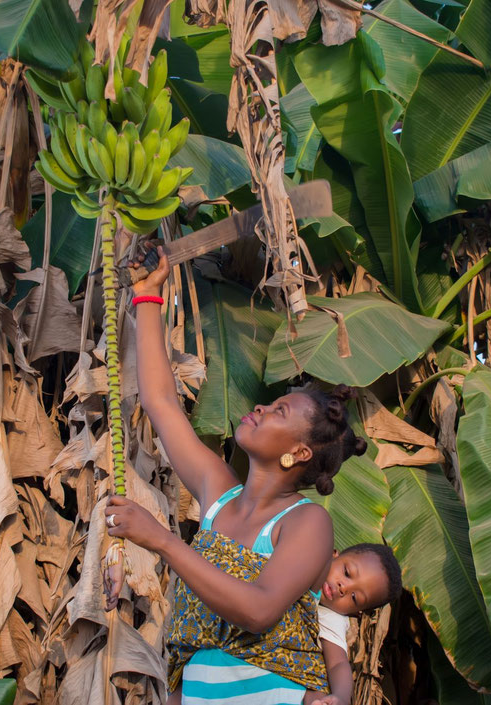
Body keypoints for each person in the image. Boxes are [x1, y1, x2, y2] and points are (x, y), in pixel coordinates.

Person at [103, 246, 368, 704]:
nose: (261, 408)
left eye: (279, 411)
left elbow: (260, 610)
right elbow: (162, 403)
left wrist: (163, 541)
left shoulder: (307, 523)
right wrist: (148, 297)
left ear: (299, 452)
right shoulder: (219, 492)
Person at [303, 543, 404, 705]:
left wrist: (340, 697)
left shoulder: (331, 618)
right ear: (333, 554)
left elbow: (337, 663)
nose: (344, 587)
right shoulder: (296, 558)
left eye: (355, 598)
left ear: (354, 613)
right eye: (347, 573)